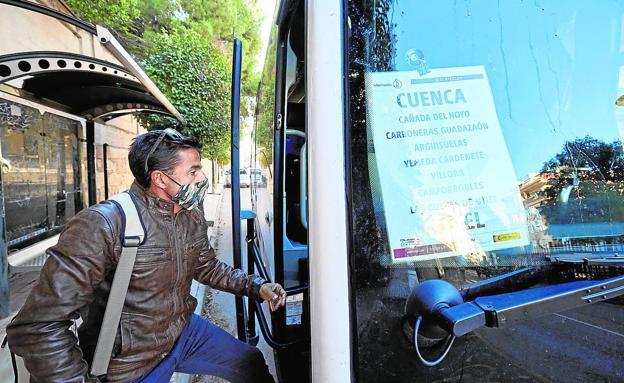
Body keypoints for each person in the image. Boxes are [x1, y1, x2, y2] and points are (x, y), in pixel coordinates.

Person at [6, 128, 286, 383]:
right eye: (193, 171)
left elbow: (207, 266)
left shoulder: (190, 213)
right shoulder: (103, 224)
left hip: (183, 333)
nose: (202, 178)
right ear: (160, 179)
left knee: (249, 362)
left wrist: (256, 286)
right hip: (131, 364)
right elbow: (39, 325)